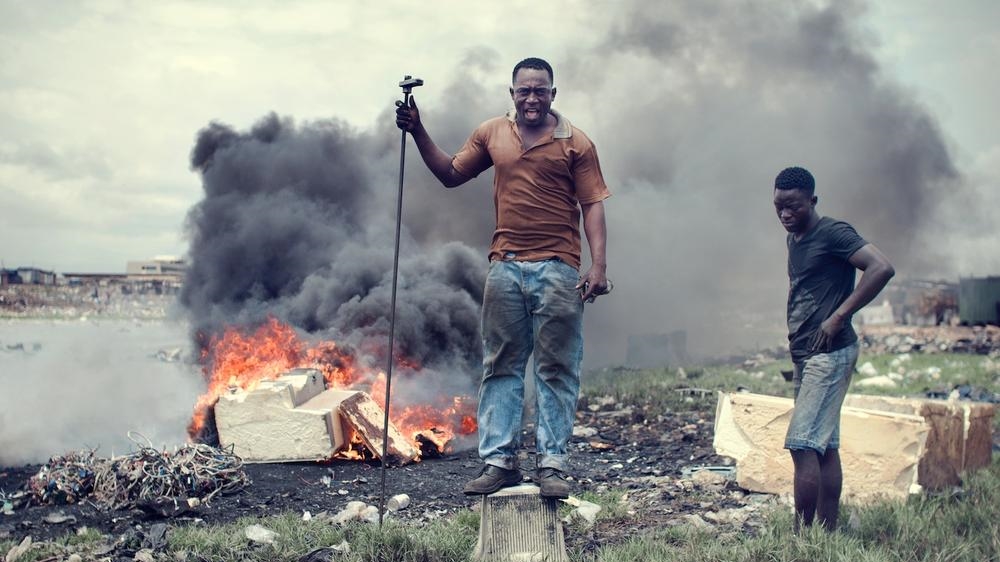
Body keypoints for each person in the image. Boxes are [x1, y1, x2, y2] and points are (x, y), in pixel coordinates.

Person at [395, 57, 611, 498]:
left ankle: (552, 466)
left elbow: (592, 205)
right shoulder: (492, 132)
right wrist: (417, 130)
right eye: (524, 90)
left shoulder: (577, 143)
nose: (532, 98)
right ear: (512, 94)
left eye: (540, 90)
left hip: (559, 268)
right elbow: (451, 174)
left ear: (553, 94)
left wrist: (599, 266)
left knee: (556, 369)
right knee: (501, 367)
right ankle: (499, 463)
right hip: (505, 266)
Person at [772, 166, 895, 531]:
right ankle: (827, 531)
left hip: (829, 353)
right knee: (823, 445)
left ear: (813, 200)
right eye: (778, 207)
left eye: (793, 206)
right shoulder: (795, 238)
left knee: (802, 445)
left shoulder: (833, 232)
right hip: (806, 354)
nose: (785, 214)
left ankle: (803, 538)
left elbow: (881, 267)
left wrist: (839, 316)